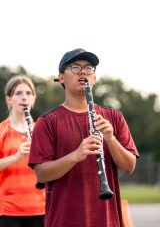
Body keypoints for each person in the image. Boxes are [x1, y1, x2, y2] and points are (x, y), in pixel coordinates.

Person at [28, 48, 139, 227]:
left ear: (94, 78)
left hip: (107, 220)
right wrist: (76, 155)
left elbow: (129, 166)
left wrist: (110, 139)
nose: (83, 72)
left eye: (89, 68)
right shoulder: (47, 121)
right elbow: (41, 174)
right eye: (75, 67)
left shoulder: (114, 117)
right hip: (64, 220)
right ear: (61, 77)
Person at [0, 75, 45, 227]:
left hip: (41, 207)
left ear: (33, 99)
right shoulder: (1, 130)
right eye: (18, 93)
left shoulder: (43, 130)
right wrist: (17, 156)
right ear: (9, 99)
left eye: (28, 93)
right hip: (8, 209)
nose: (24, 97)